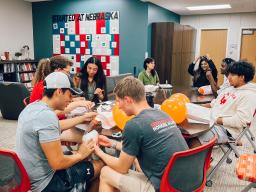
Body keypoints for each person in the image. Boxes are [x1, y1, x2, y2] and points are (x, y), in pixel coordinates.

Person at [94, 76, 188, 192]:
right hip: (185, 182)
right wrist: (113, 144)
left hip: (166, 188)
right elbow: (140, 148)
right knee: (136, 163)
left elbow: (122, 167)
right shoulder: (163, 114)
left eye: (118, 101)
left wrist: (99, 152)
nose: (118, 106)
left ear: (128, 100)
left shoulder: (134, 125)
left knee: (106, 172)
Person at [16, 72, 103, 192]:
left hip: (29, 177)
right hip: (46, 183)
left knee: (83, 159)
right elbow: (57, 163)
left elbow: (56, 126)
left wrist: (83, 118)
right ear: (59, 91)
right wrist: (80, 154)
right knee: (100, 165)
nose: (71, 99)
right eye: (70, 95)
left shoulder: (32, 107)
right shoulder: (46, 116)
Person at [199, 61, 256, 144]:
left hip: (227, 131)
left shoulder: (249, 95)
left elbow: (241, 121)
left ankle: (199, 156)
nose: (228, 77)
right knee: (185, 131)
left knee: (195, 138)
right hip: (211, 122)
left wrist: (215, 119)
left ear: (242, 77)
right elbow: (213, 104)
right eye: (229, 74)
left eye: (232, 75)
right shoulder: (229, 89)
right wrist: (193, 108)